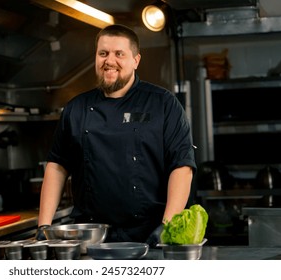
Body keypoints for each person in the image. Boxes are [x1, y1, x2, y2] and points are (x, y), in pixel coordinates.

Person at [36, 24, 196, 245]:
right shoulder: (76, 108)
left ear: (136, 60)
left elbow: (181, 166)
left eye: (119, 54)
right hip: (91, 237)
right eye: (103, 53)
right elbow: (57, 166)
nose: (109, 61)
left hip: (149, 234)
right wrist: (43, 226)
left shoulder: (163, 103)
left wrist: (167, 227)